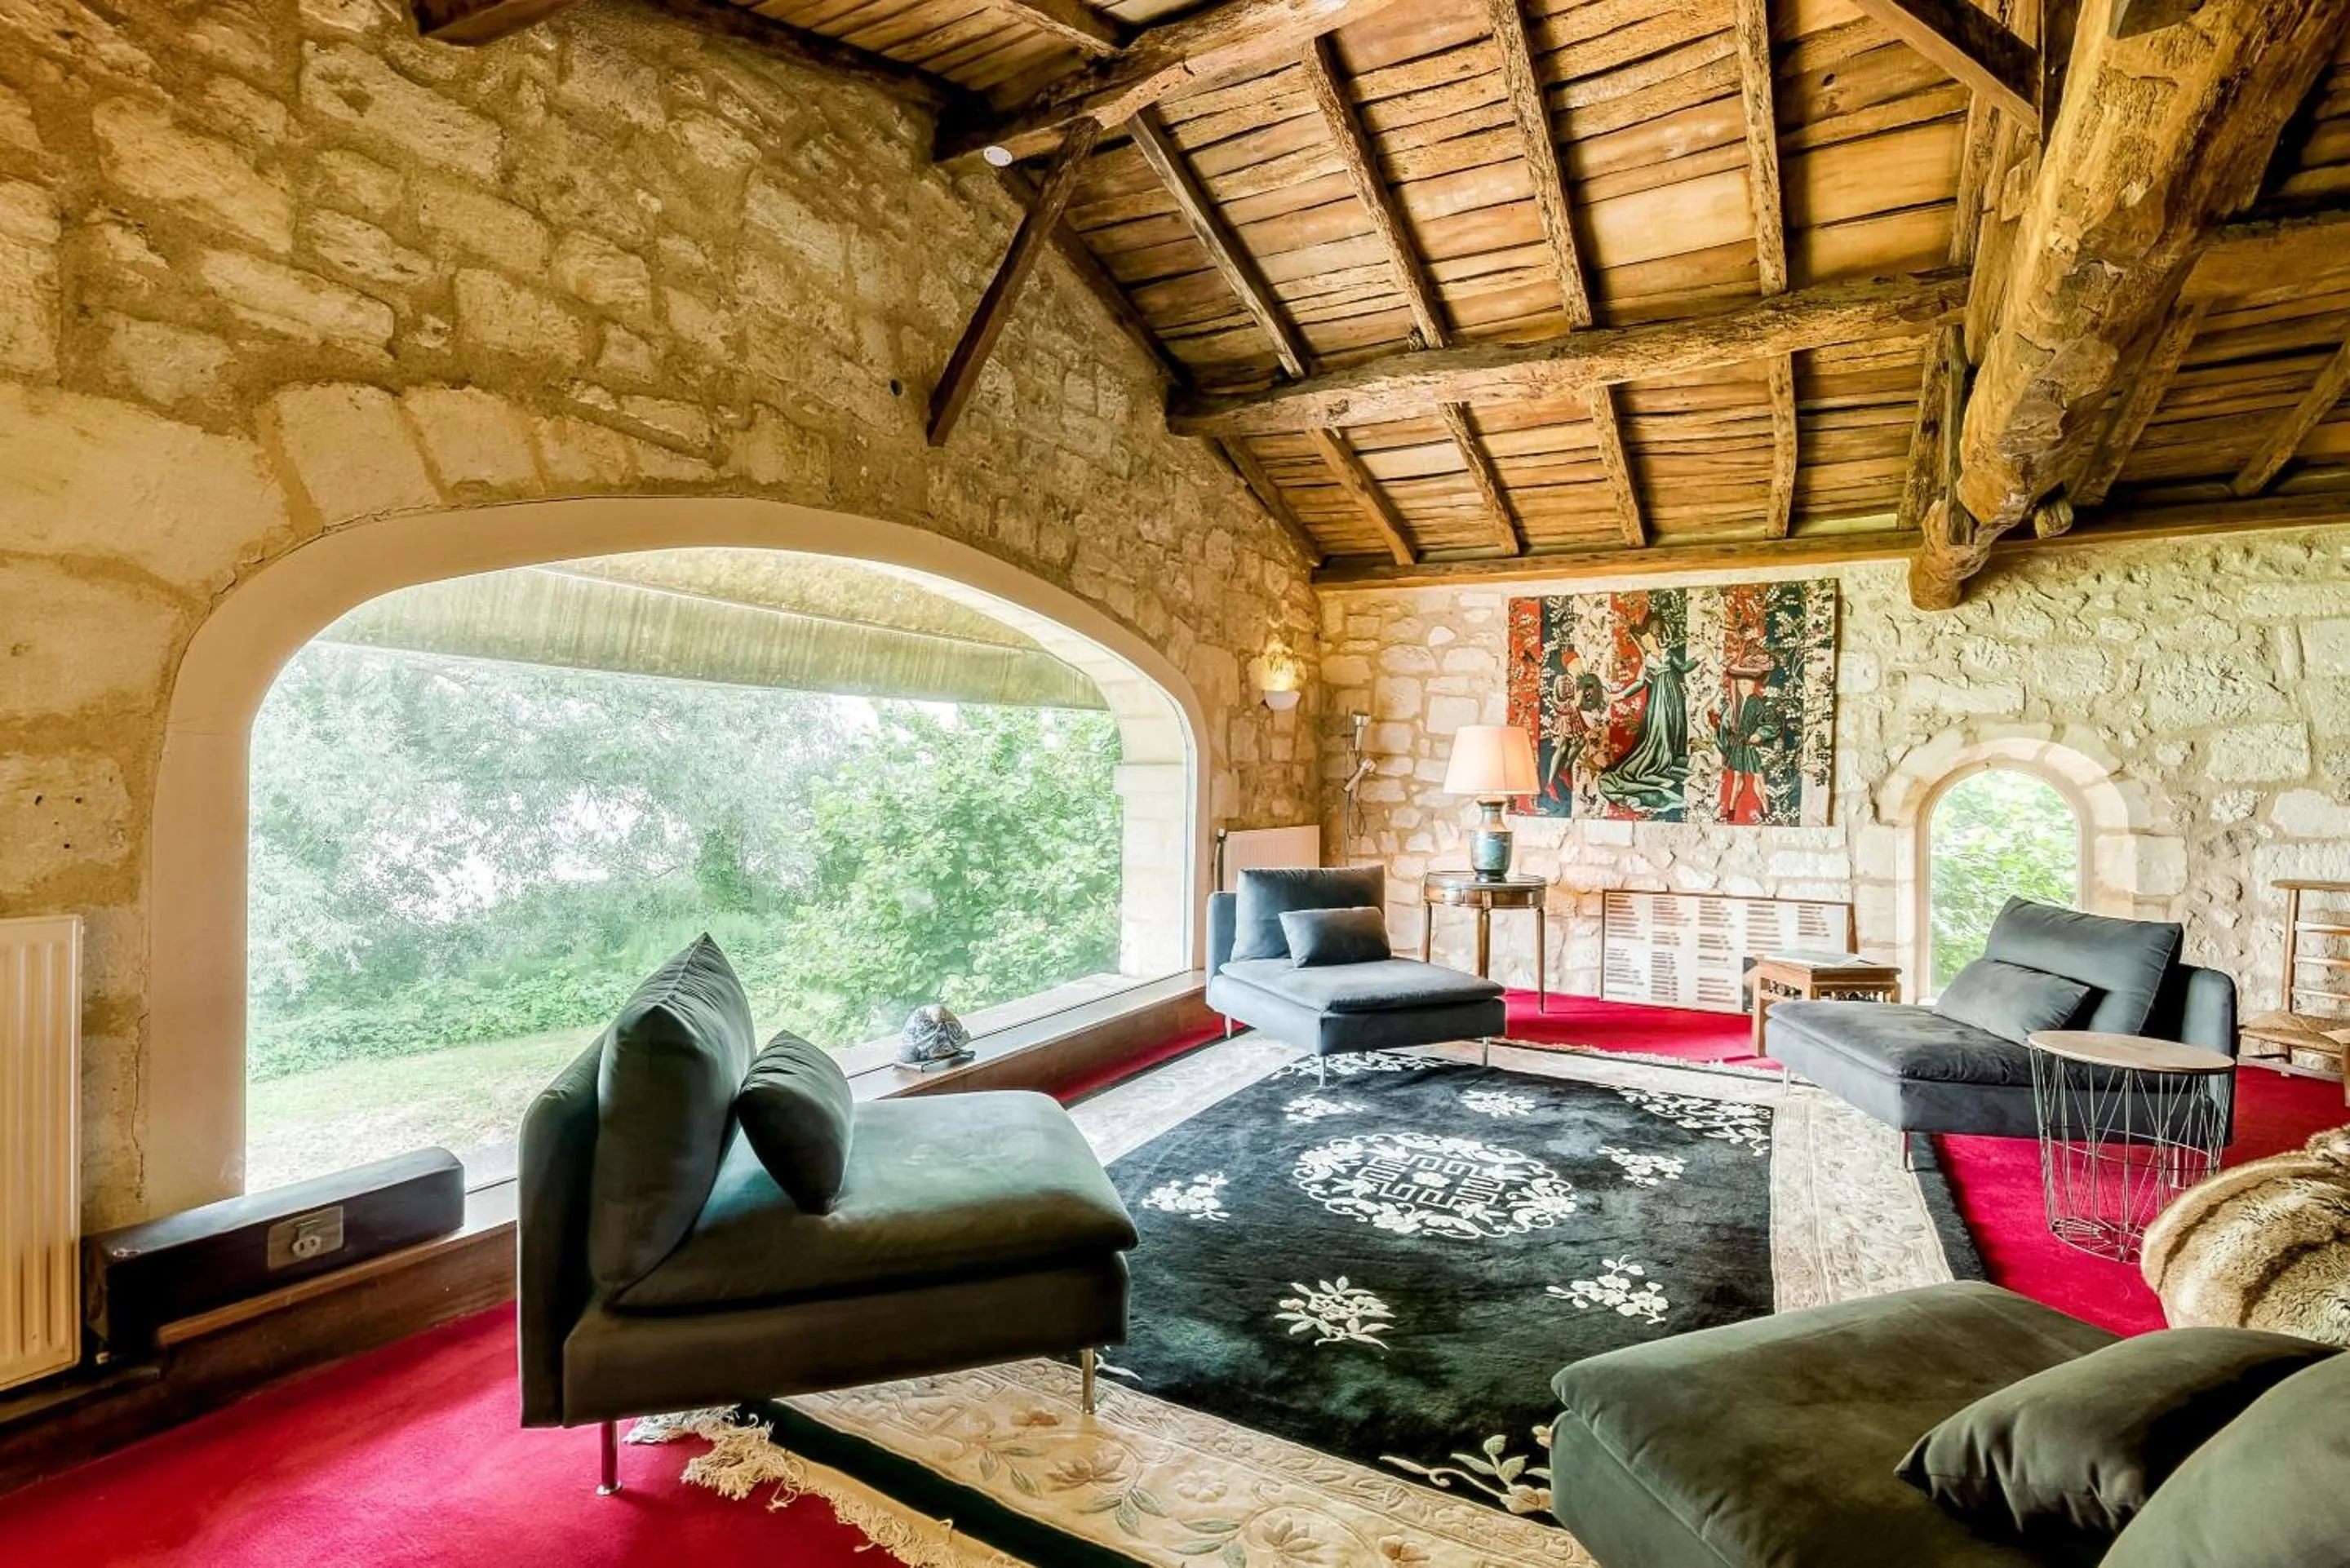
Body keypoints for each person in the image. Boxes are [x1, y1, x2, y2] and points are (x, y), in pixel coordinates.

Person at [1596, 614, 1691, 816]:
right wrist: (1619, 695)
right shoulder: (1648, 660)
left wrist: (1700, 658)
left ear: (1655, 638)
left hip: (1672, 695)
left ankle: (1670, 761)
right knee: (1658, 727)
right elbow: (1639, 683)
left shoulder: (1667, 653)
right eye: (1644, 640)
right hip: (1657, 697)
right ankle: (1658, 761)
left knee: (1673, 725)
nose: (1645, 643)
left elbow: (1683, 668)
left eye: (1648, 639)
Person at [1714, 658, 1776, 824]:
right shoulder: (1733, 705)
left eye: (1747, 683)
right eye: (1740, 683)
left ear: (1754, 684)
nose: (1744, 686)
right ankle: (1731, 811)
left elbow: (1772, 724)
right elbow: (1726, 725)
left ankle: (1766, 811)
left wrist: (1760, 734)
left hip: (1752, 746)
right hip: (1738, 746)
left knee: (1759, 778)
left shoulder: (1758, 704)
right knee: (1737, 778)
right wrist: (1719, 724)